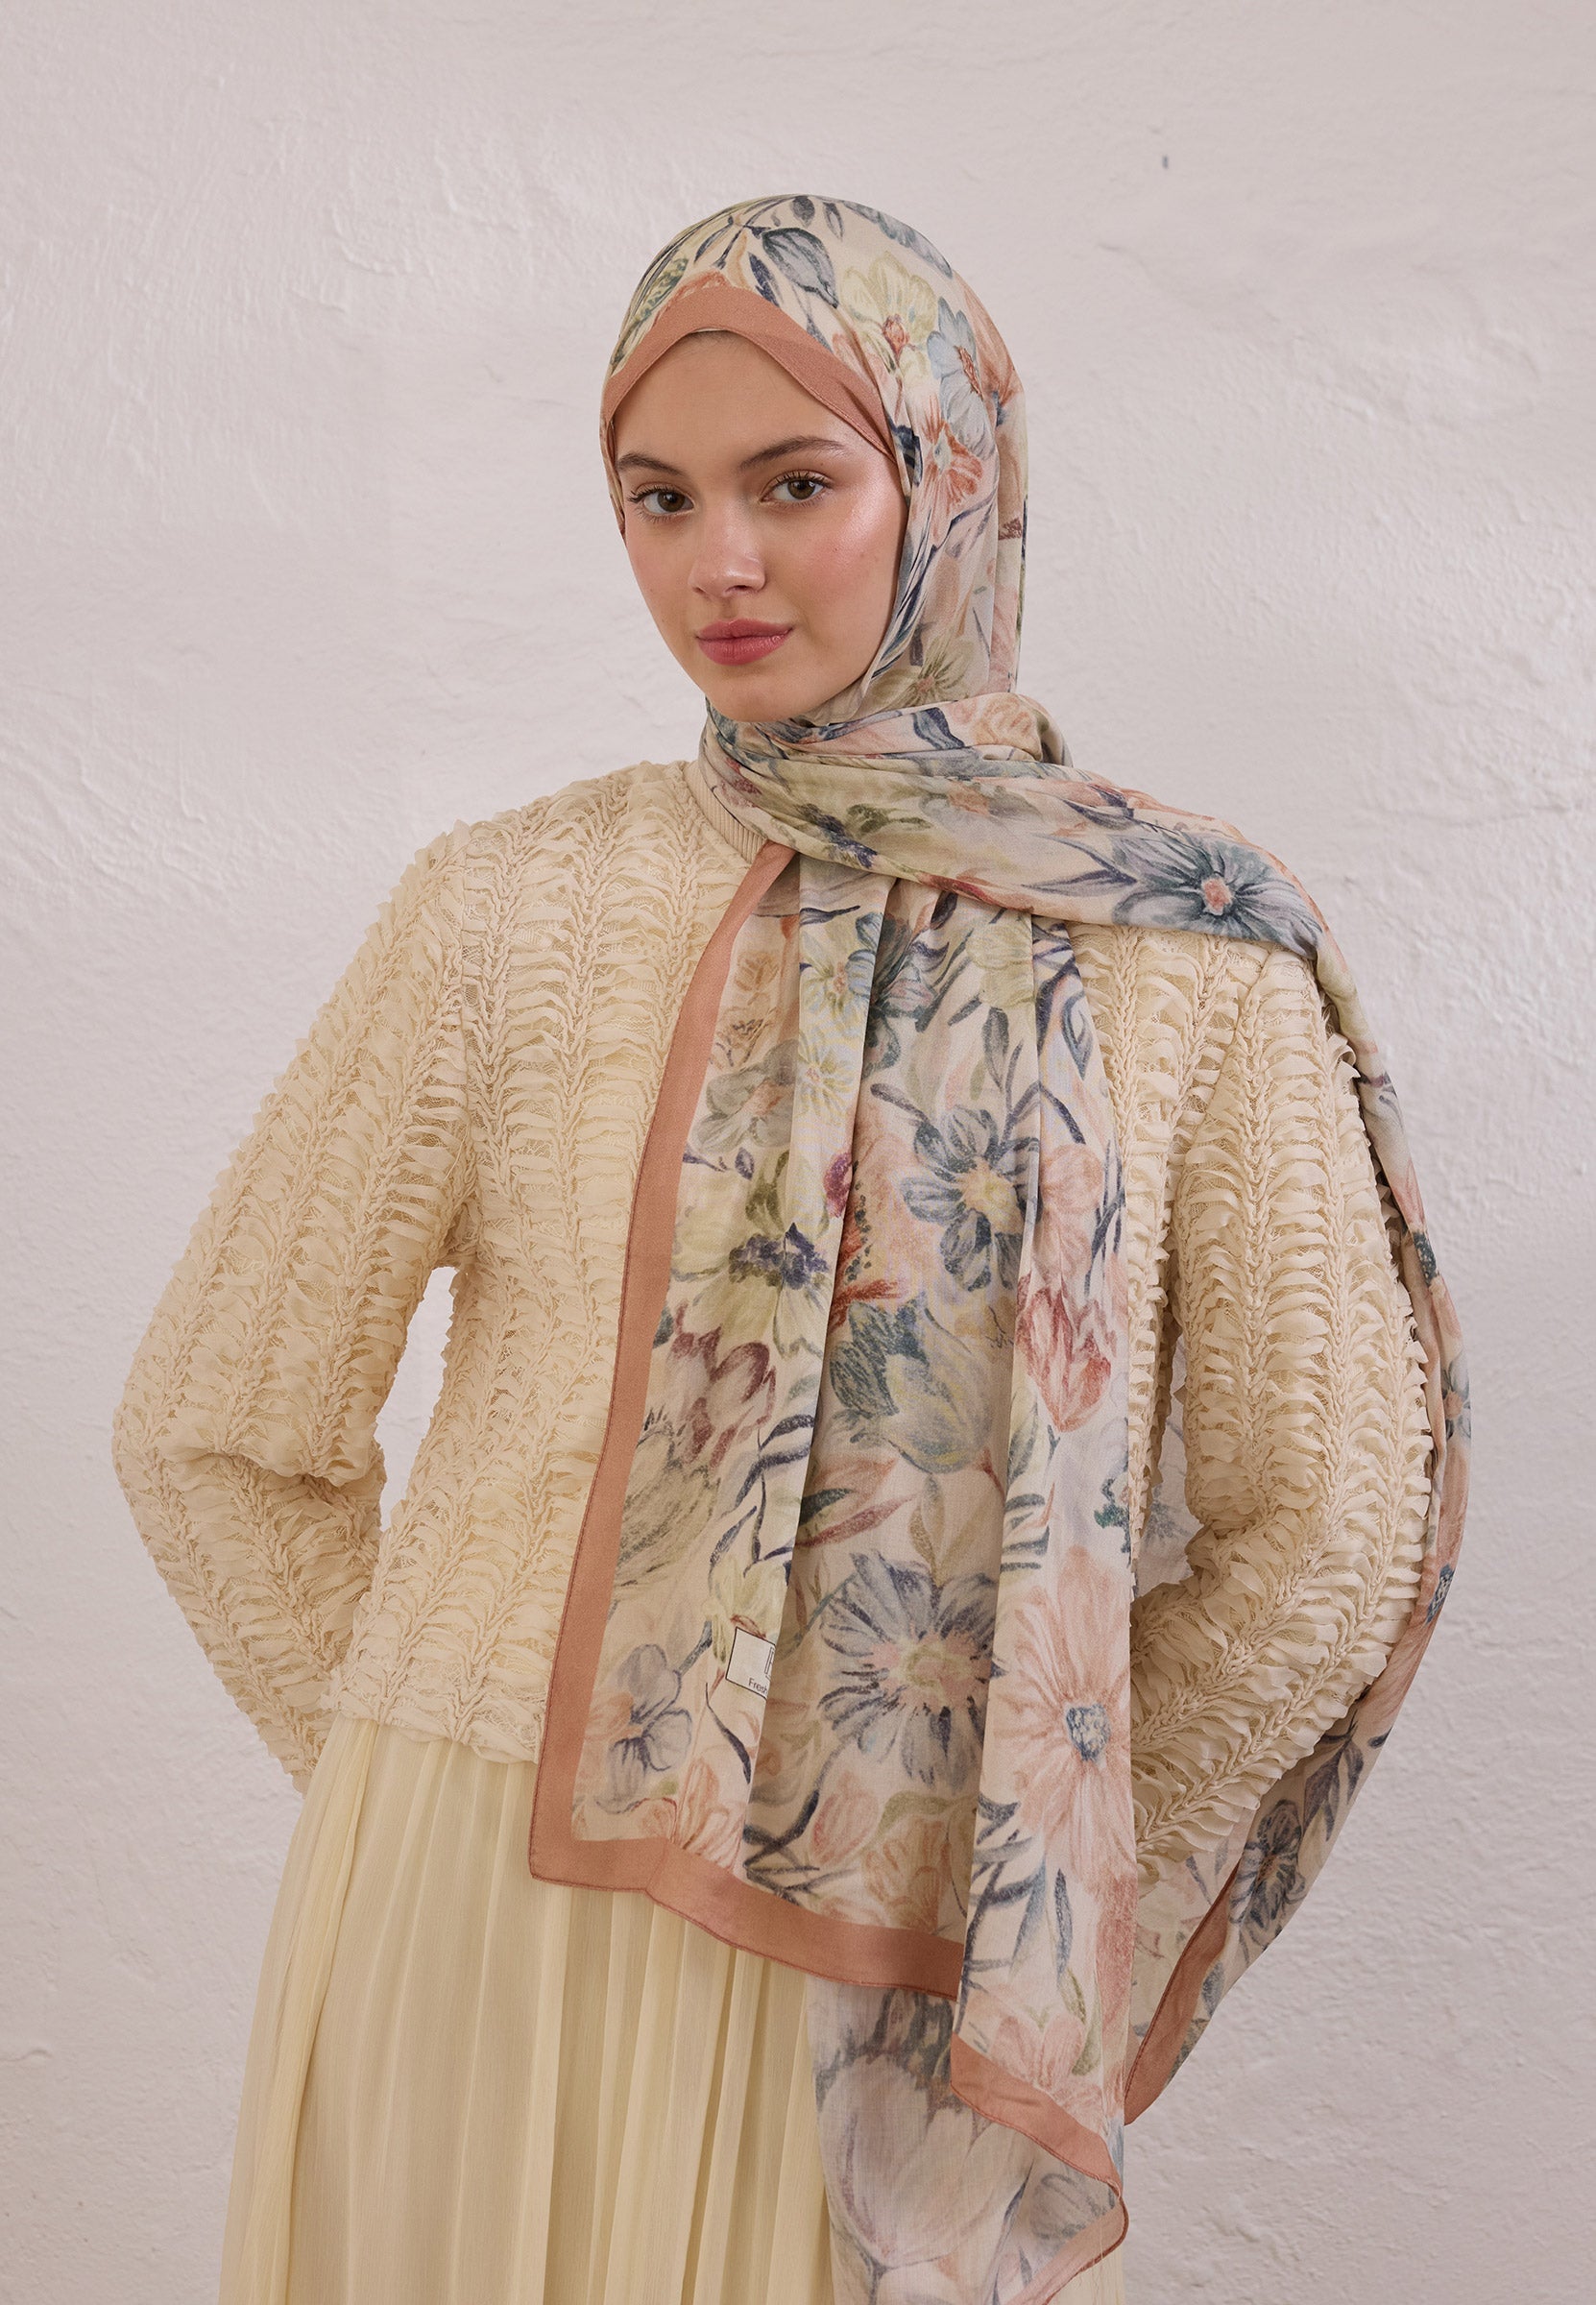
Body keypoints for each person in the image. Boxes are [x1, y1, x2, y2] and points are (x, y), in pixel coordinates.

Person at [114, 197, 1463, 2305]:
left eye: (794, 484)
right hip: (472, 1924)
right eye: (658, 498)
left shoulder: (1185, 950)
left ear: (946, 478)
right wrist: (437, 1767)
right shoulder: (500, 908)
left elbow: (1331, 1529)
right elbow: (214, 1430)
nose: (717, 563)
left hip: (903, 1969)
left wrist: (1024, 1848)